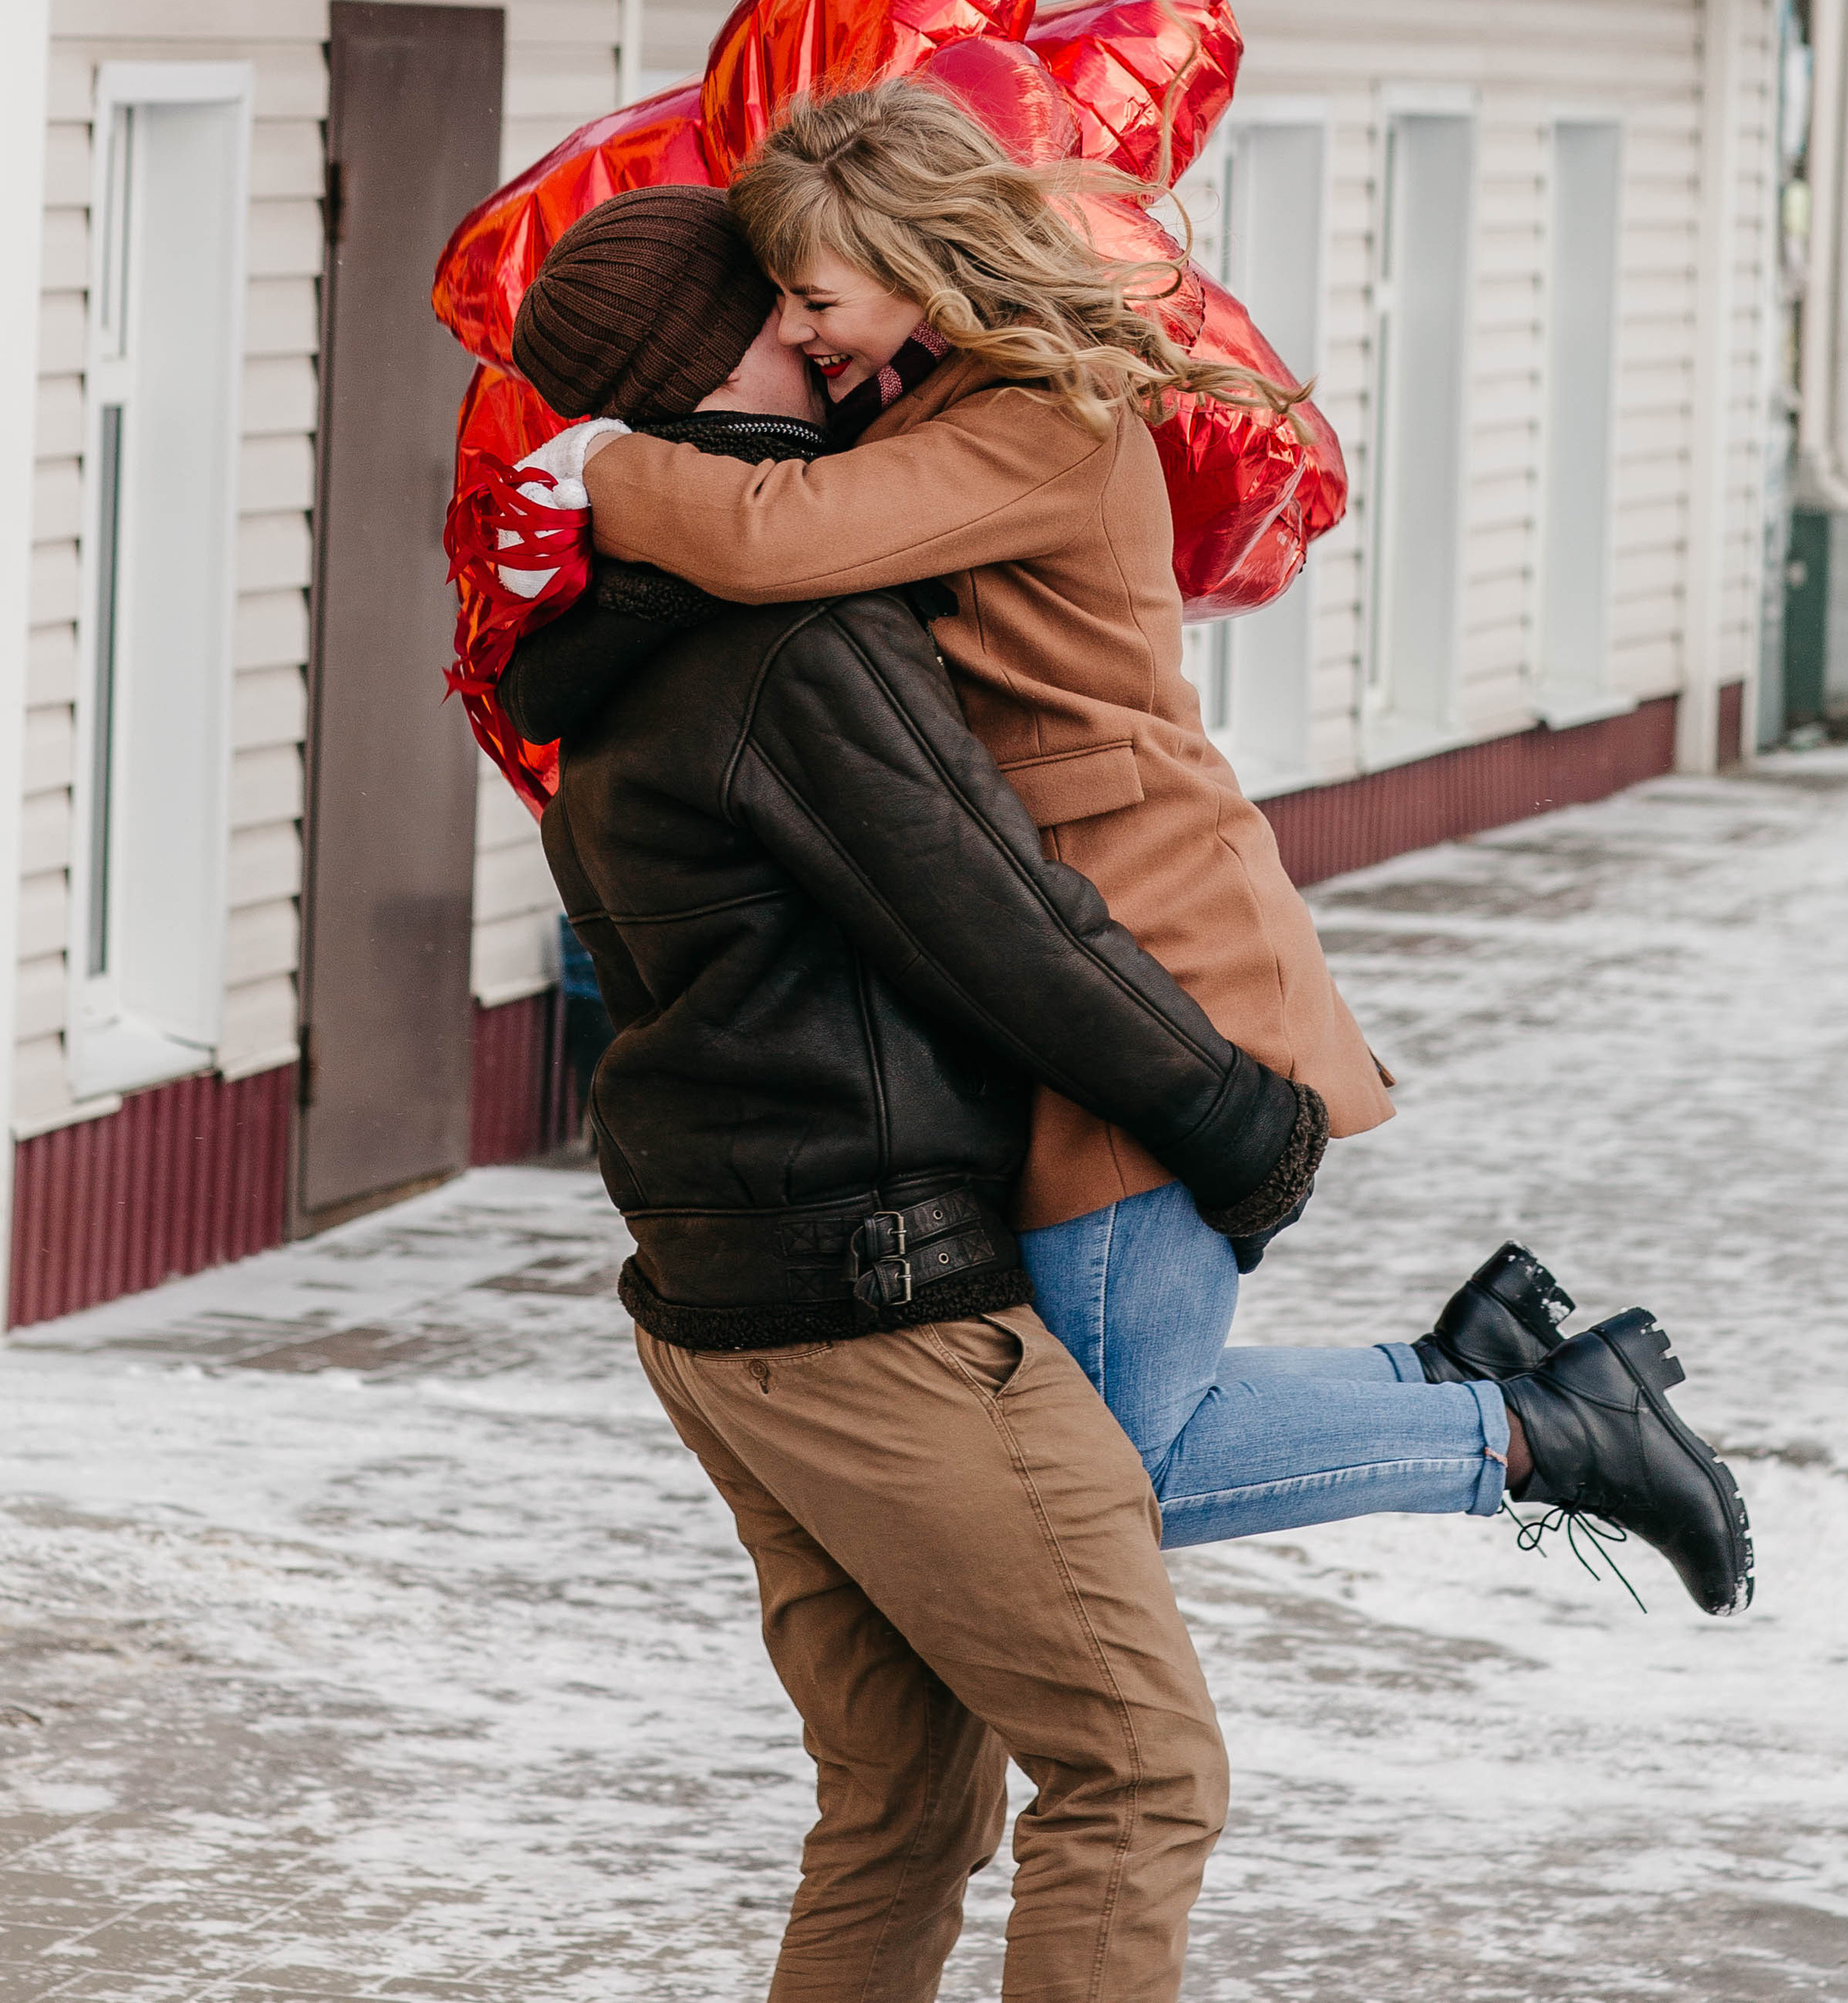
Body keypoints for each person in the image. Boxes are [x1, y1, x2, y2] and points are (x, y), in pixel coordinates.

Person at [557, 95, 1754, 1624]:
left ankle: (1537, 1433)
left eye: (814, 295)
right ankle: (1472, 1376)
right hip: (1073, 960)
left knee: (1112, 1472)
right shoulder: (942, 412)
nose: (804, 330)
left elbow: (774, 538)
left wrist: (597, 470)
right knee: (1087, 1441)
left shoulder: (1033, 420)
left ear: (911, 255)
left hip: (1159, 955)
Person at [503, 186, 1345, 2001]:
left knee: (898, 1804)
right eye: (786, 309)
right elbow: (1005, 928)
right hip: (876, 1293)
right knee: (1135, 1771)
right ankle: (1510, 1423)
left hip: (717, 1299)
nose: (827, 344)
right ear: (725, 347)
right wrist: (1231, 1117)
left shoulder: (618, 652)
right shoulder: (798, 650)